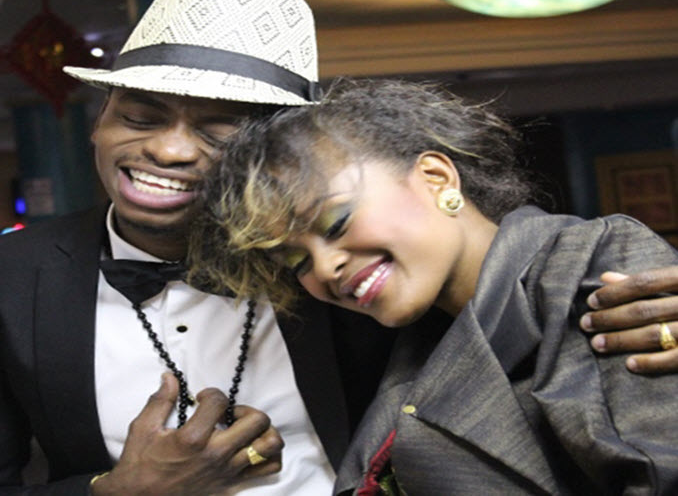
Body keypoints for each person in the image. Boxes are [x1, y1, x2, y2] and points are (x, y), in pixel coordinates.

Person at [0, 0, 674, 496]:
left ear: (278, 153)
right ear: (99, 122)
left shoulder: (354, 272)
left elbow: (531, 296)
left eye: (218, 132)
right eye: (139, 116)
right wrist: (119, 490)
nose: (169, 150)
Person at [190, 78, 678, 495]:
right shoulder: (409, 353)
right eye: (297, 262)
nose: (325, 267)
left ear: (436, 177)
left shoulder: (590, 263)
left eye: (336, 223)